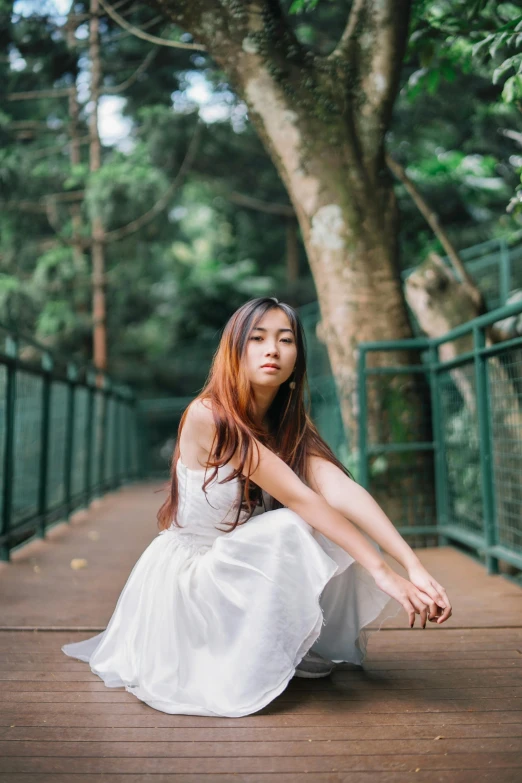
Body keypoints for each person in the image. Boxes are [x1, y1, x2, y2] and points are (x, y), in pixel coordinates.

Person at [62, 296, 452, 717]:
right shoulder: (209, 415)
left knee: (328, 527)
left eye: (285, 340)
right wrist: (382, 573)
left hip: (233, 565)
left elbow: (342, 491)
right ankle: (239, 655)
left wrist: (412, 566)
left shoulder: (286, 424)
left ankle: (287, 645)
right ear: (235, 350)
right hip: (191, 579)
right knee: (294, 525)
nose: (272, 350)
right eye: (258, 338)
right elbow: (301, 499)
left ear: (297, 359)